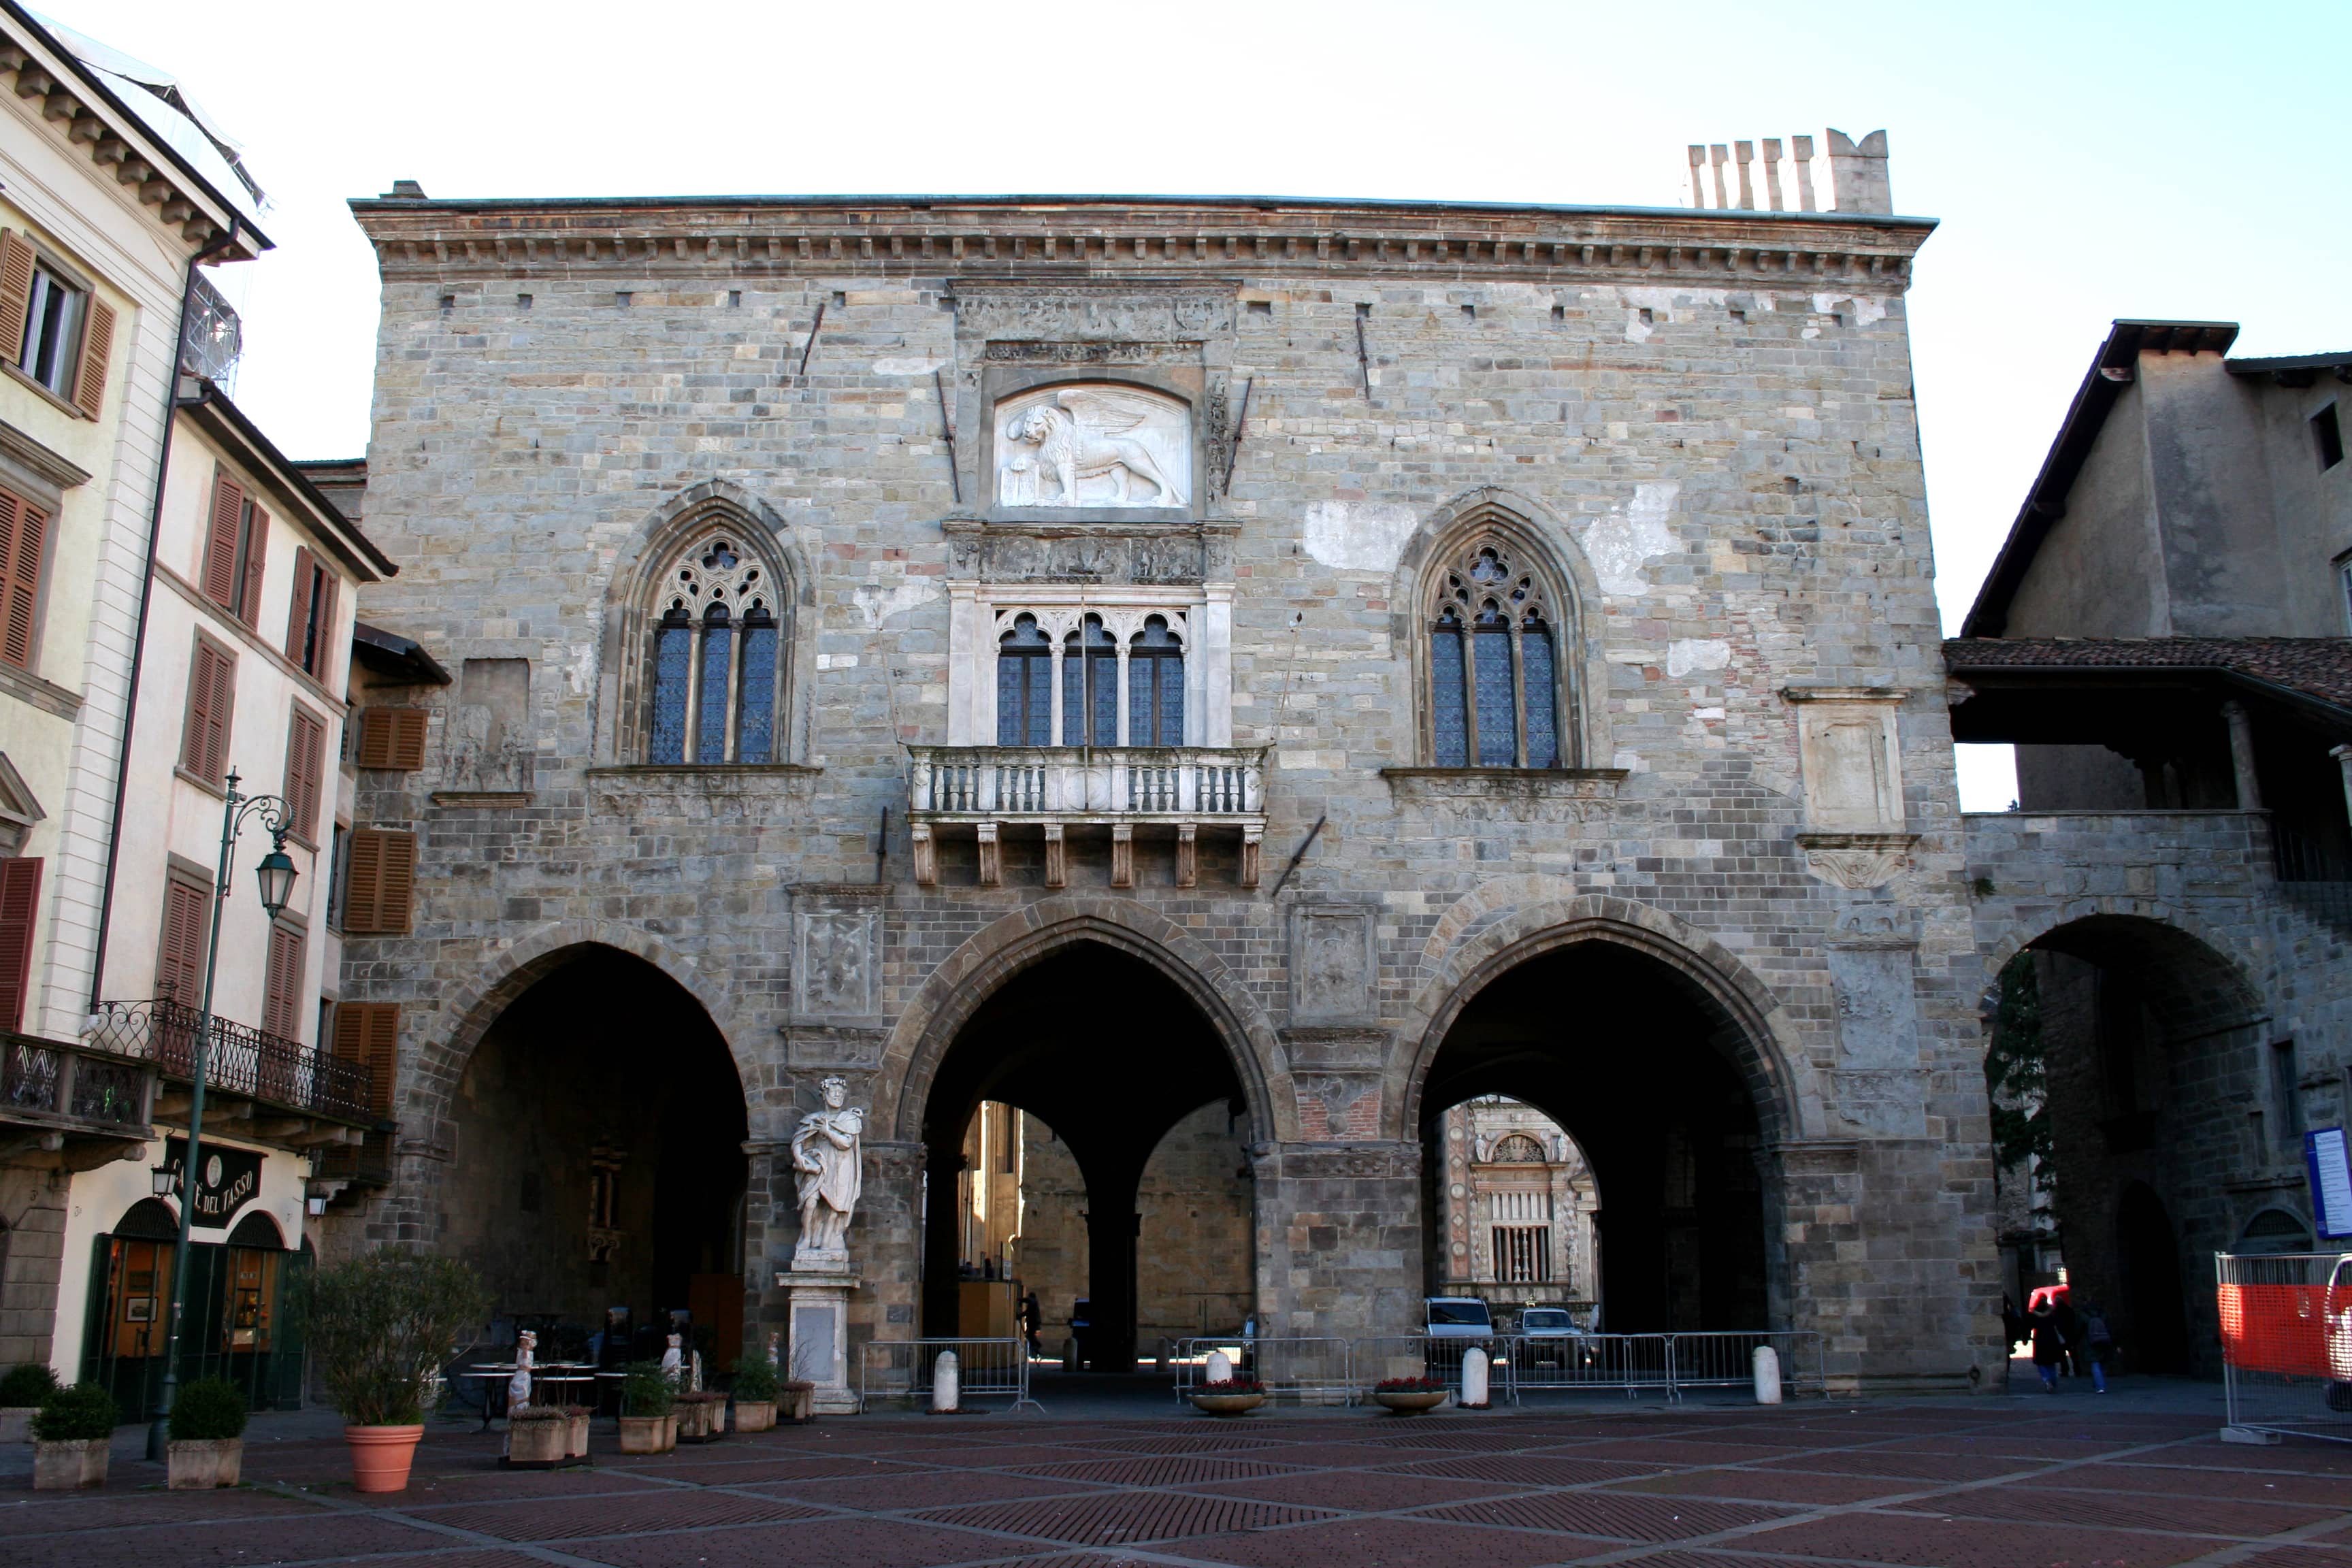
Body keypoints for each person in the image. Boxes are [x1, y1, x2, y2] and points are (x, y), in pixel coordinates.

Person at [2029, 1298, 2065, 1392]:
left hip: (2040, 1339)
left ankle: (2047, 1379)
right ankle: (2053, 1381)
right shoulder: (2053, 1314)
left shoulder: (2034, 1315)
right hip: (2051, 1338)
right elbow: (2060, 1324)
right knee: (2051, 1362)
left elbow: (2029, 1325)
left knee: (2041, 1362)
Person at [2077, 1301, 2113, 1393]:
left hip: (2089, 1341)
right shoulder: (2103, 1314)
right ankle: (2099, 1382)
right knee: (2103, 1362)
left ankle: (2100, 1385)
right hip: (2104, 1340)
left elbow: (2078, 1329)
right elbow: (2110, 1327)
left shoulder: (2083, 1315)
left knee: (2095, 1363)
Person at [1019, 1291, 1042, 1358]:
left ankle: (1037, 1345)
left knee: (1030, 1335)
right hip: (1033, 1323)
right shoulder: (1033, 1304)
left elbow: (1028, 1312)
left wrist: (1020, 1300)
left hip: (1034, 1323)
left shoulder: (1033, 1302)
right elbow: (1027, 1312)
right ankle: (1036, 1347)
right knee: (1030, 1336)